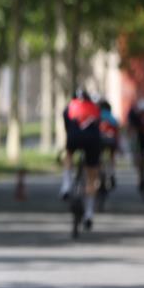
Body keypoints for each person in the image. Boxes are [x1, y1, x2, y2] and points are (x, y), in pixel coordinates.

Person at [60, 89, 101, 229]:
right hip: (92, 139)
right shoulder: (95, 108)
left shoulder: (69, 107)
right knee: (91, 176)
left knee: (69, 153)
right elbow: (98, 125)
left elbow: (67, 127)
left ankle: (66, 185)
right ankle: (89, 213)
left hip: (74, 136)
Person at [97, 99, 120, 190]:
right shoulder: (112, 117)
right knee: (112, 156)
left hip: (100, 140)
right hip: (111, 141)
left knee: (99, 157)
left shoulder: (97, 115)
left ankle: (100, 174)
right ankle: (112, 173)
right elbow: (117, 131)